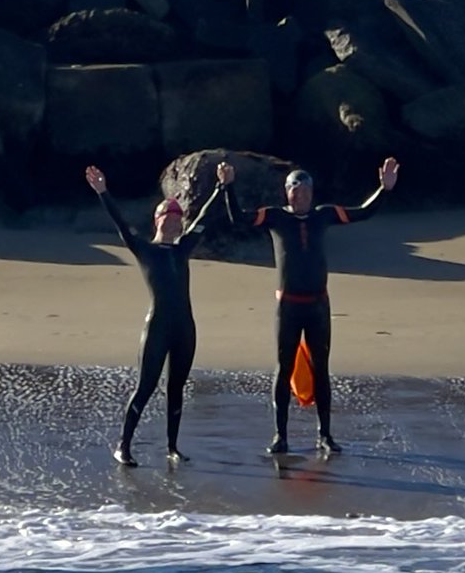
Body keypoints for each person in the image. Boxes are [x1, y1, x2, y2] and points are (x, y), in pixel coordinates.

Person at [218, 157, 400, 455]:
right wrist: (227, 187)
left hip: (317, 306)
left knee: (321, 369)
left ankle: (325, 435)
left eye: (305, 190)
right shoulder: (275, 217)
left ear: (312, 193)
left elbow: (363, 213)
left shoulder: (323, 215)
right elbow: (239, 218)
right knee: (283, 368)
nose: (300, 195)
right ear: (286, 193)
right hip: (288, 307)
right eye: (294, 189)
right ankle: (281, 436)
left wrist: (384, 189)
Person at [85, 164, 226, 467]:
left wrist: (220, 187)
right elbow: (121, 224)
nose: (174, 223)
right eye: (169, 218)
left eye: (178, 219)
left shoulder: (183, 248)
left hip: (185, 328)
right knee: (145, 387)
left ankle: (172, 447)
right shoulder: (145, 250)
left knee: (177, 389)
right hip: (158, 327)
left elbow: (205, 218)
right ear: (158, 220)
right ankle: (123, 445)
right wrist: (103, 192)